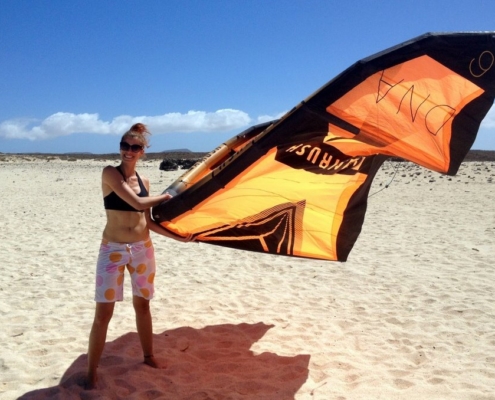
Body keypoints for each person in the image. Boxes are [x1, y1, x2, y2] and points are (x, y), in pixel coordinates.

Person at [86, 123, 191, 390]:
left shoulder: (145, 182)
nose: (128, 151)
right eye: (125, 146)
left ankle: (148, 357)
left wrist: (177, 236)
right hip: (113, 250)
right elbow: (136, 203)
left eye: (135, 147)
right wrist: (170, 195)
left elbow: (148, 220)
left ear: (143, 151)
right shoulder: (110, 173)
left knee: (143, 306)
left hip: (143, 248)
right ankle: (91, 372)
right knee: (103, 313)